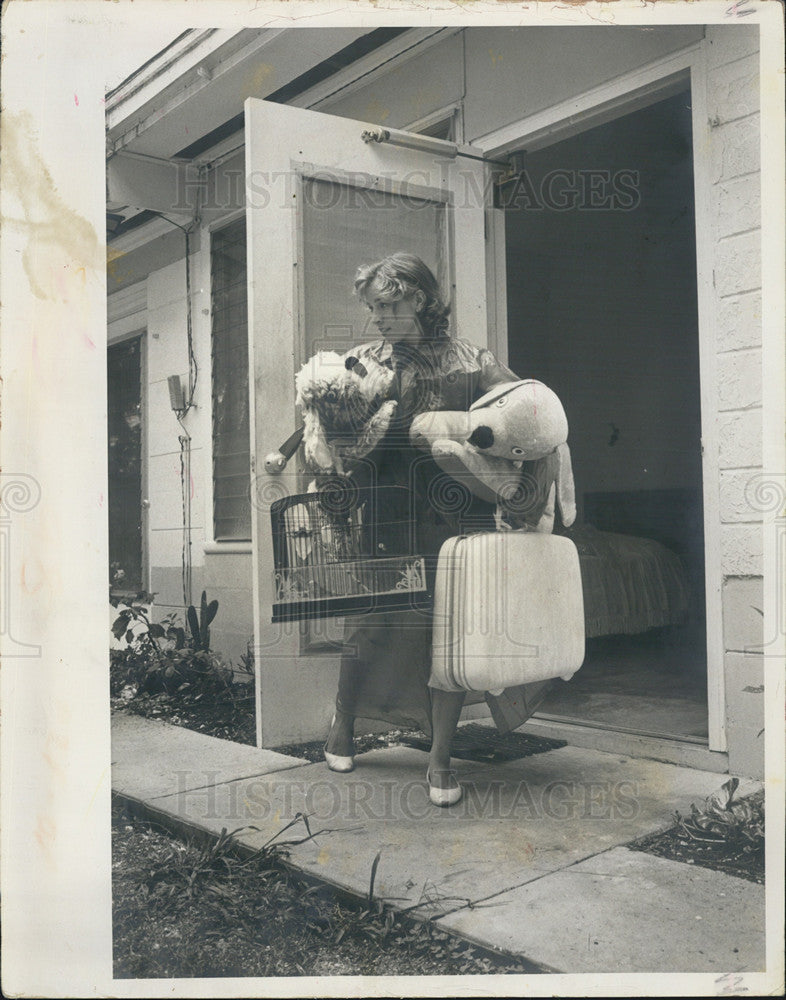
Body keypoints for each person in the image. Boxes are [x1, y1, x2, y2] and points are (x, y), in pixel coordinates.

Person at [321, 252, 544, 806]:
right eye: (373, 307)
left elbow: (523, 409)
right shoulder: (361, 361)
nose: (378, 318)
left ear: (419, 299)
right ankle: (343, 724)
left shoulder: (472, 357)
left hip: (456, 512)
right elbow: (332, 437)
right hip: (385, 510)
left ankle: (441, 757)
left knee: (452, 633)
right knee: (367, 627)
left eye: (388, 305)